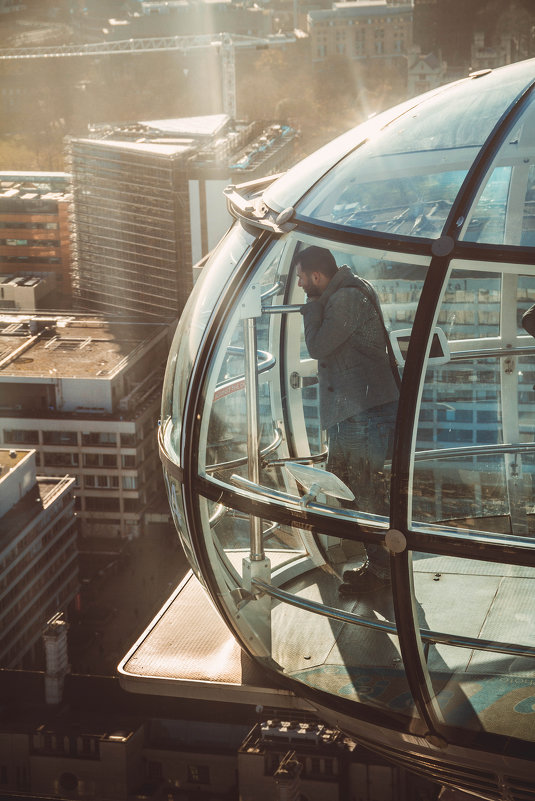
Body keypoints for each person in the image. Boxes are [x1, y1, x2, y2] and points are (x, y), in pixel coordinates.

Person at [296, 246, 399, 595]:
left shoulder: (344, 300)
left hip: (360, 413)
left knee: (361, 491)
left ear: (316, 276)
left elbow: (318, 346)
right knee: (354, 487)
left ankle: (384, 571)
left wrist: (311, 309)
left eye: (300, 277)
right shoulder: (352, 289)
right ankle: (382, 564)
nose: (299, 284)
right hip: (357, 410)